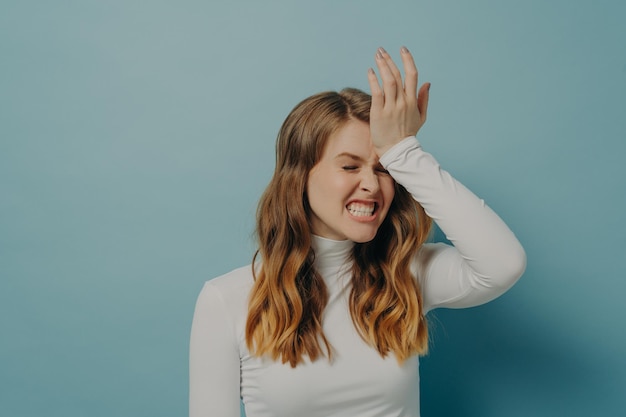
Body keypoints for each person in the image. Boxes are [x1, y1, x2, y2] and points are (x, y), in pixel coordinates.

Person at [189, 46, 526, 417]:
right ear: (299, 177)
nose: (371, 183)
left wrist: (404, 152)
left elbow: (504, 264)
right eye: (350, 167)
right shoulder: (227, 300)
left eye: (382, 169)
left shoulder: (405, 274)